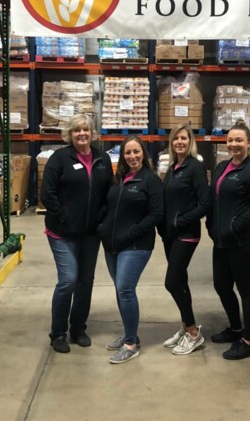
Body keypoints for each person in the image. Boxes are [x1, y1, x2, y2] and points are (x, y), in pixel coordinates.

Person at [41, 114, 113, 353]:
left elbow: (108, 193)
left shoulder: (102, 158)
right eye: (77, 131)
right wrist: (65, 218)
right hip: (62, 232)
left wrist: (102, 220)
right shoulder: (60, 158)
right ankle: (58, 333)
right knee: (68, 280)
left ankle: (78, 328)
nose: (82, 134)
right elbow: (47, 193)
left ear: (92, 133)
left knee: (85, 281)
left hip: (91, 233)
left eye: (86, 129)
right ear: (69, 135)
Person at [99, 136, 164, 364]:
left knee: (126, 289)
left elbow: (156, 214)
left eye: (136, 152)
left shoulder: (150, 180)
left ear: (143, 154)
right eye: (128, 152)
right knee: (120, 289)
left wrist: (131, 233)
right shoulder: (119, 178)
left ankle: (130, 345)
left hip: (136, 245)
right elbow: (109, 208)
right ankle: (130, 333)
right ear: (123, 156)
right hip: (112, 244)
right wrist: (104, 229)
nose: (132, 156)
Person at [207, 120, 250, 360]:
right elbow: (216, 199)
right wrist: (211, 226)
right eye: (230, 140)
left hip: (245, 242)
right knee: (221, 285)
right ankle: (235, 329)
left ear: (249, 143)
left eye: (239, 140)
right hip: (221, 241)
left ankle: (249, 341)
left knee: (246, 290)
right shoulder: (222, 166)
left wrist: (234, 226)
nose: (234, 144)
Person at [158, 125, 210, 355]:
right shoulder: (172, 168)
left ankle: (192, 332)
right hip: (169, 235)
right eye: (176, 138)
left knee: (171, 282)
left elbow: (205, 203)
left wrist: (182, 221)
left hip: (186, 234)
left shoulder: (195, 167)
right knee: (181, 282)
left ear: (190, 142)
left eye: (184, 138)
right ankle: (184, 326)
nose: (180, 141)